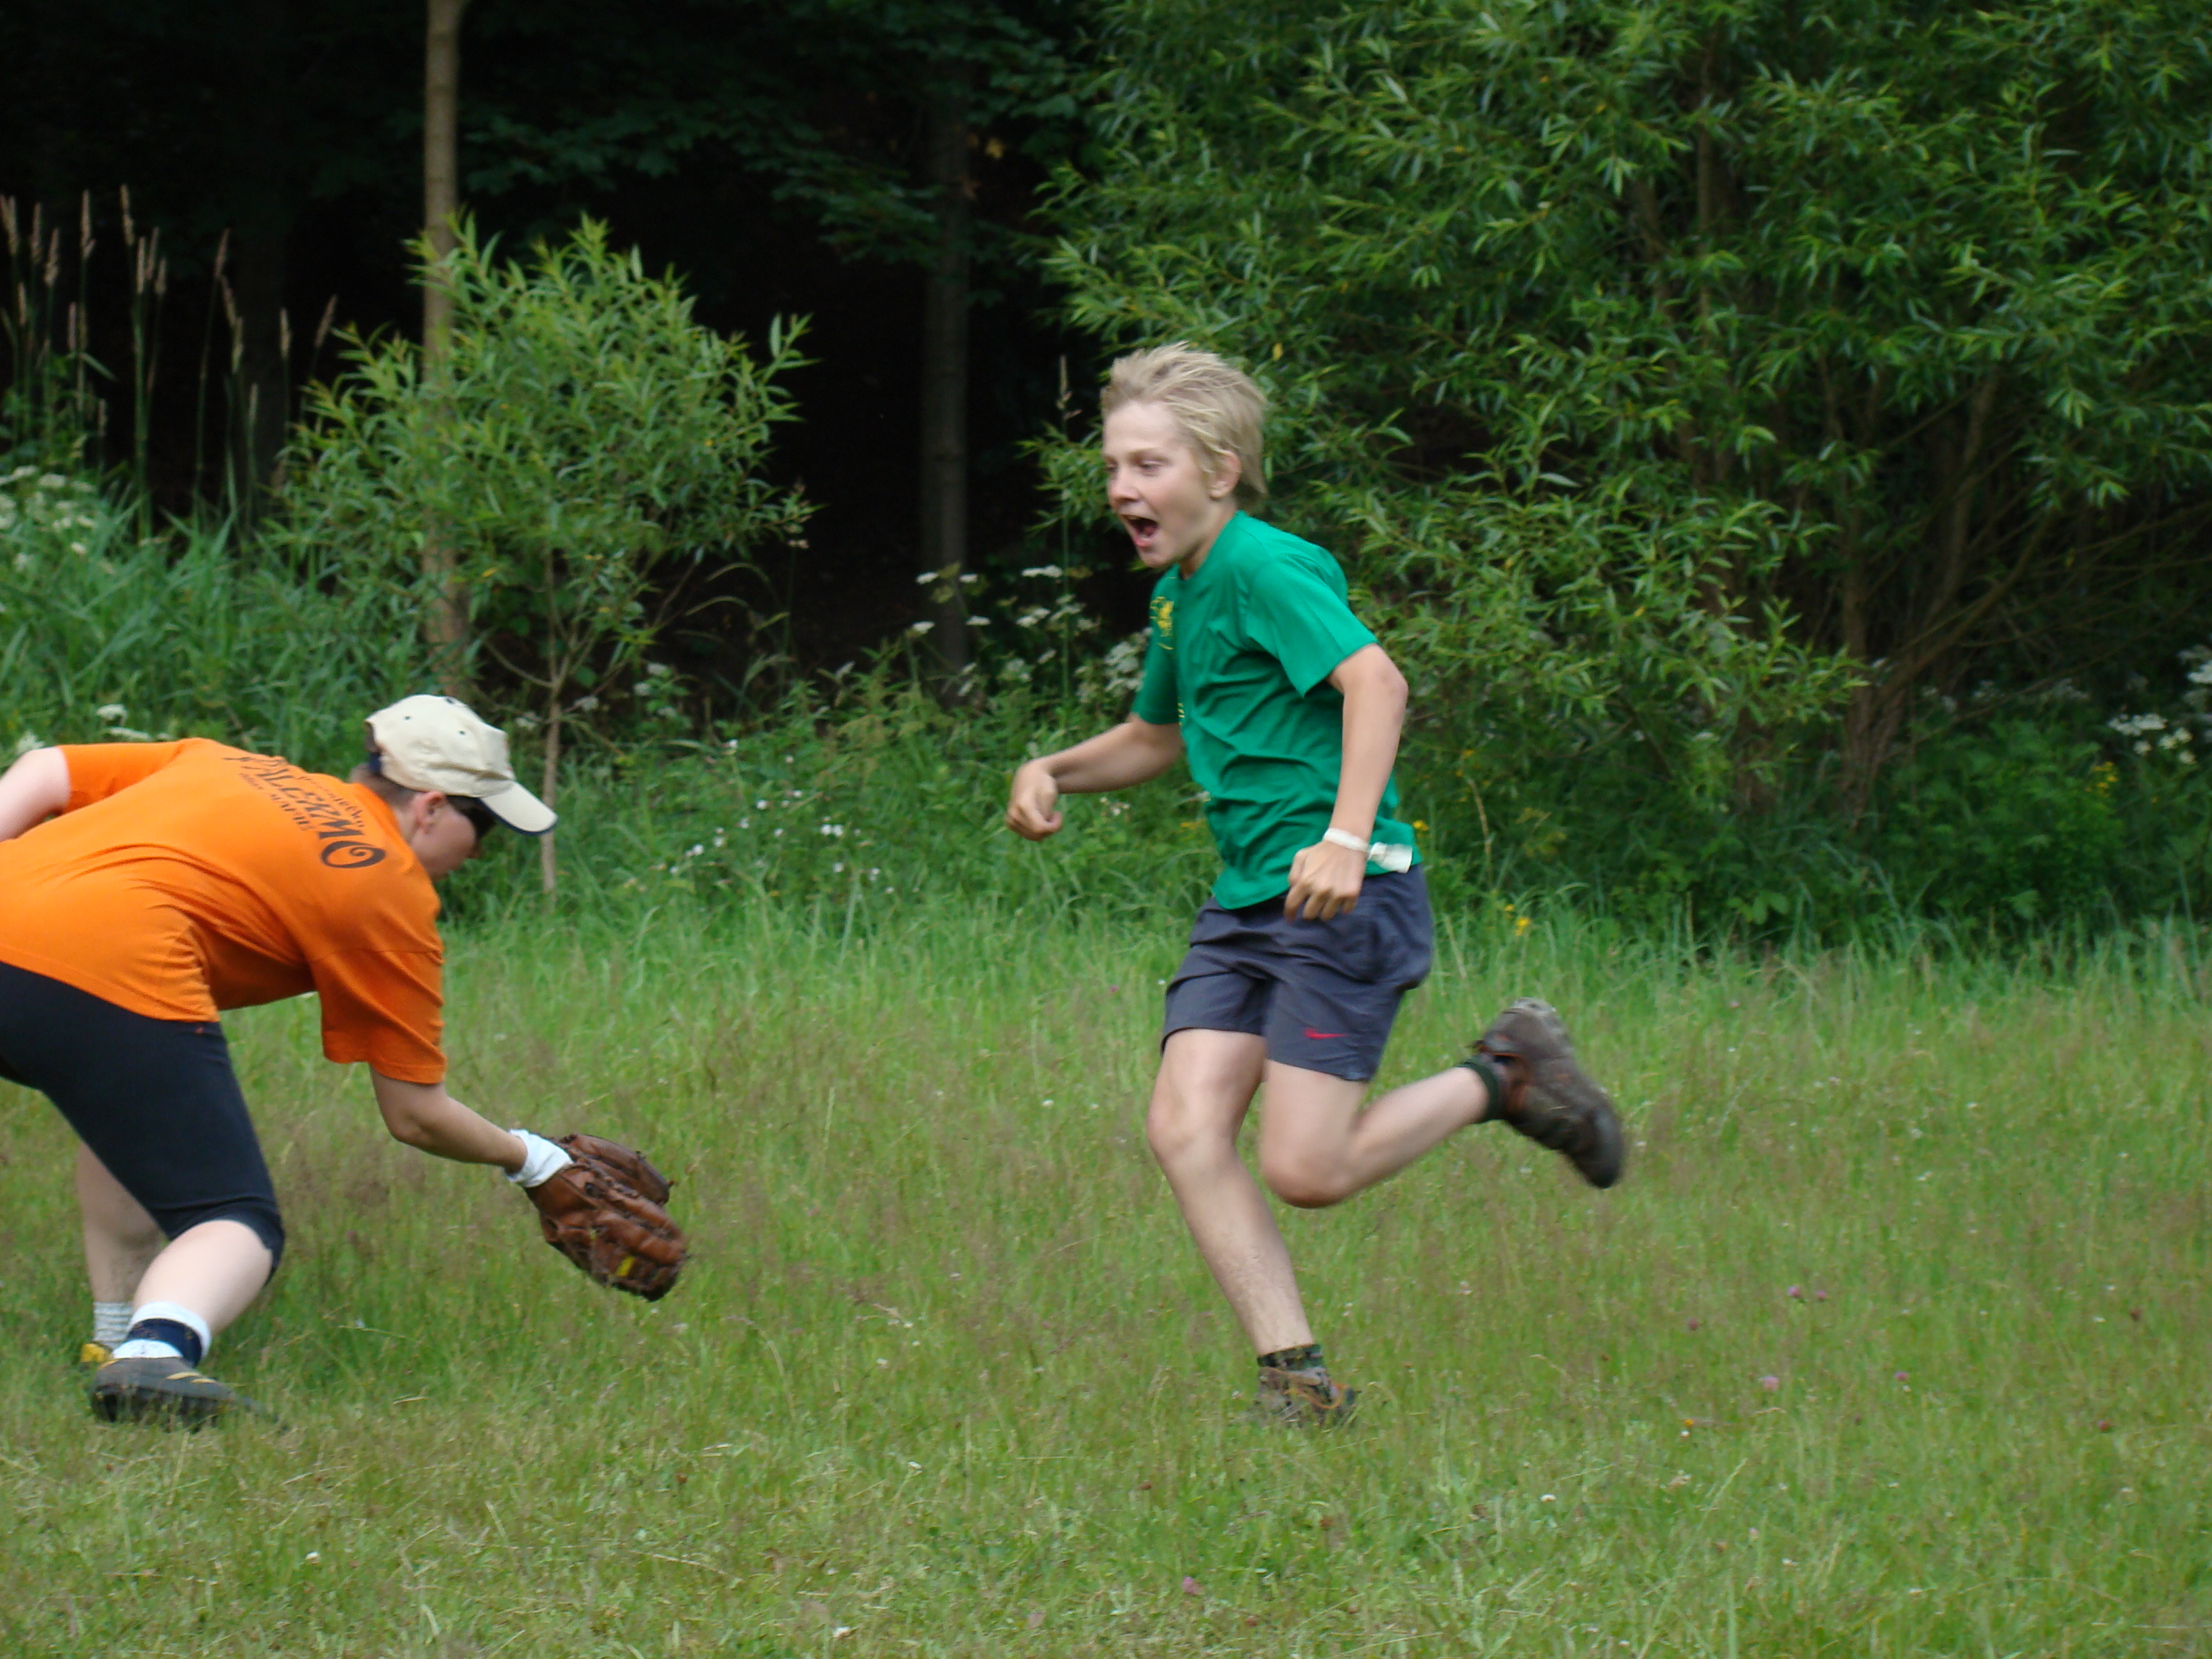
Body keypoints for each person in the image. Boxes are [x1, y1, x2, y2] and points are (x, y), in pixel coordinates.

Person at [1005, 346, 1626, 1426]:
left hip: (1342, 894)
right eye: (1113, 467)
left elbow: (1376, 682)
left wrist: (1345, 837)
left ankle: (1506, 1076)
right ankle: (1297, 1383)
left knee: (1308, 1169)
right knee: (1184, 1127)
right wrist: (1051, 767)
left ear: (1221, 472)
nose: (1121, 489)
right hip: (1249, 901)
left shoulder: (1265, 567)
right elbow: (1156, 737)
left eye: (1148, 466)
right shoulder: (1180, 597)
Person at [0, 695, 587, 1424]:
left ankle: (113, 1337)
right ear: (432, 808)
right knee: (231, 1218)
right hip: (108, 968)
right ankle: (153, 1355)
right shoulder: (388, 890)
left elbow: (46, 769)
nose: (479, 854)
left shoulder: (228, 764)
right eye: (485, 827)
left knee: (124, 1119)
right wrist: (532, 1159)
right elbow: (416, 1115)